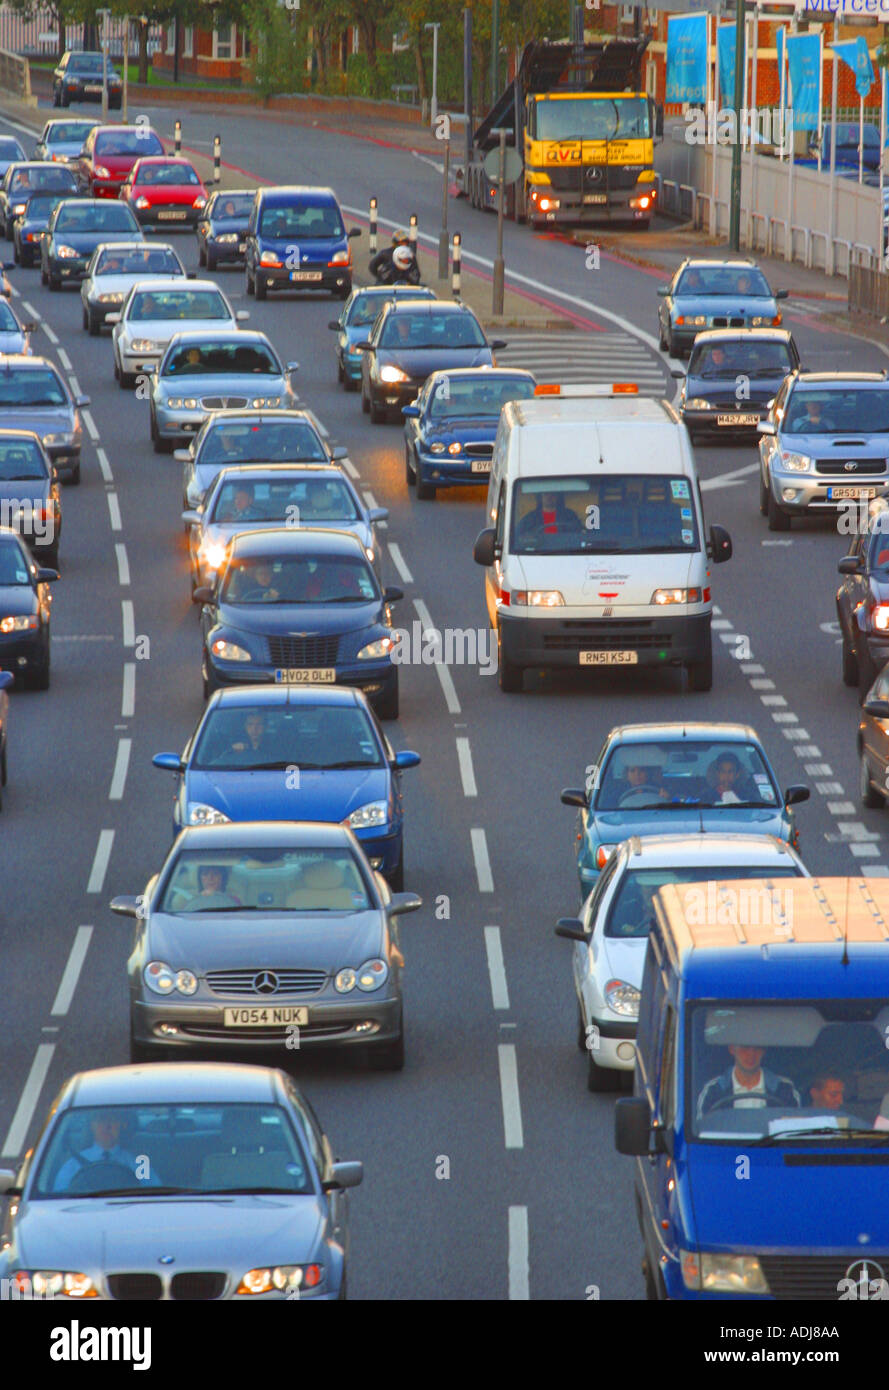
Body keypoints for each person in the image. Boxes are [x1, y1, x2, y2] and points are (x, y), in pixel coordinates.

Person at [696, 1044, 801, 1121]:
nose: (751, 1054)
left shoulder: (784, 1088)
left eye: (757, 1048)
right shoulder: (713, 1090)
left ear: (763, 1051)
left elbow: (794, 1131)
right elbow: (703, 1131)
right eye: (745, 1047)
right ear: (732, 1049)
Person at [53, 1112, 151, 1192]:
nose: (106, 1126)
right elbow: (59, 1197)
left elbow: (153, 1194)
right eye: (101, 1120)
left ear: (122, 1125)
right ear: (91, 1125)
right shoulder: (72, 1165)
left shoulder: (137, 1164)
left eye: (113, 1120)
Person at [515, 490, 582, 544]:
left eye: (552, 494)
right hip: (538, 551)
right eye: (546, 494)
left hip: (566, 551)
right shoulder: (530, 518)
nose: (549, 497)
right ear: (540, 497)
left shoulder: (569, 515)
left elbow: (578, 534)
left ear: (557, 497)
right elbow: (518, 535)